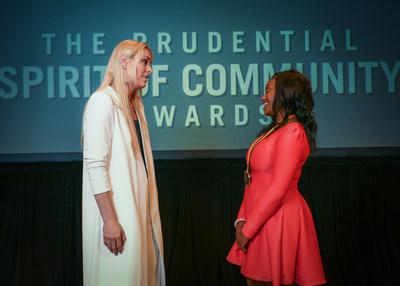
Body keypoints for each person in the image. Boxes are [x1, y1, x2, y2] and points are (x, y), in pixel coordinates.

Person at [227, 69, 327, 286]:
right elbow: (252, 179)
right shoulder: (273, 131)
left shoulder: (293, 133)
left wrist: (248, 229)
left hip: (279, 220)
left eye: (268, 90)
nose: (263, 97)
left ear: (285, 93)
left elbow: (277, 190)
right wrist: (241, 219)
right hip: (259, 218)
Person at [81, 40, 165, 286]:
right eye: (145, 62)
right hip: (117, 221)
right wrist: (110, 222)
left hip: (140, 219)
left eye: (150, 64)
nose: (150, 70)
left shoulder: (136, 106)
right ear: (124, 62)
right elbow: (95, 166)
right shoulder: (102, 102)